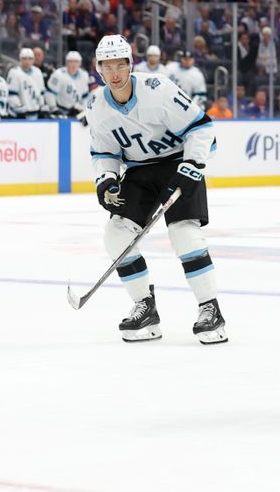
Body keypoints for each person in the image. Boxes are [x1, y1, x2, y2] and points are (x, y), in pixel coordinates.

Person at [85, 34, 226, 345]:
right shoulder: (95, 104)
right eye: (107, 67)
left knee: (183, 233)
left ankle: (210, 309)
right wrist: (106, 179)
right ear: (99, 69)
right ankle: (144, 307)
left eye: (120, 65)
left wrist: (191, 167)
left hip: (178, 164)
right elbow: (104, 152)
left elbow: (202, 129)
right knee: (116, 234)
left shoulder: (157, 89)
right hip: (139, 171)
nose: (115, 73)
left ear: (130, 64)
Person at [46, 51, 90, 117]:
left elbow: (85, 97)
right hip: (61, 111)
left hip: (77, 112)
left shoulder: (84, 75)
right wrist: (53, 108)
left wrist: (84, 110)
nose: (73, 64)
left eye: (76, 61)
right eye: (70, 61)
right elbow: (50, 93)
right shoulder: (58, 74)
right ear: (66, 63)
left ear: (80, 63)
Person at [7, 48, 46, 119]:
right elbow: (12, 95)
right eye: (24, 58)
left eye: (30, 59)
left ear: (33, 60)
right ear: (20, 59)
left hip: (35, 112)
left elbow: (41, 93)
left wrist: (42, 106)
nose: (27, 61)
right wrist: (18, 108)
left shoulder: (38, 72)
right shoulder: (14, 72)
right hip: (20, 115)